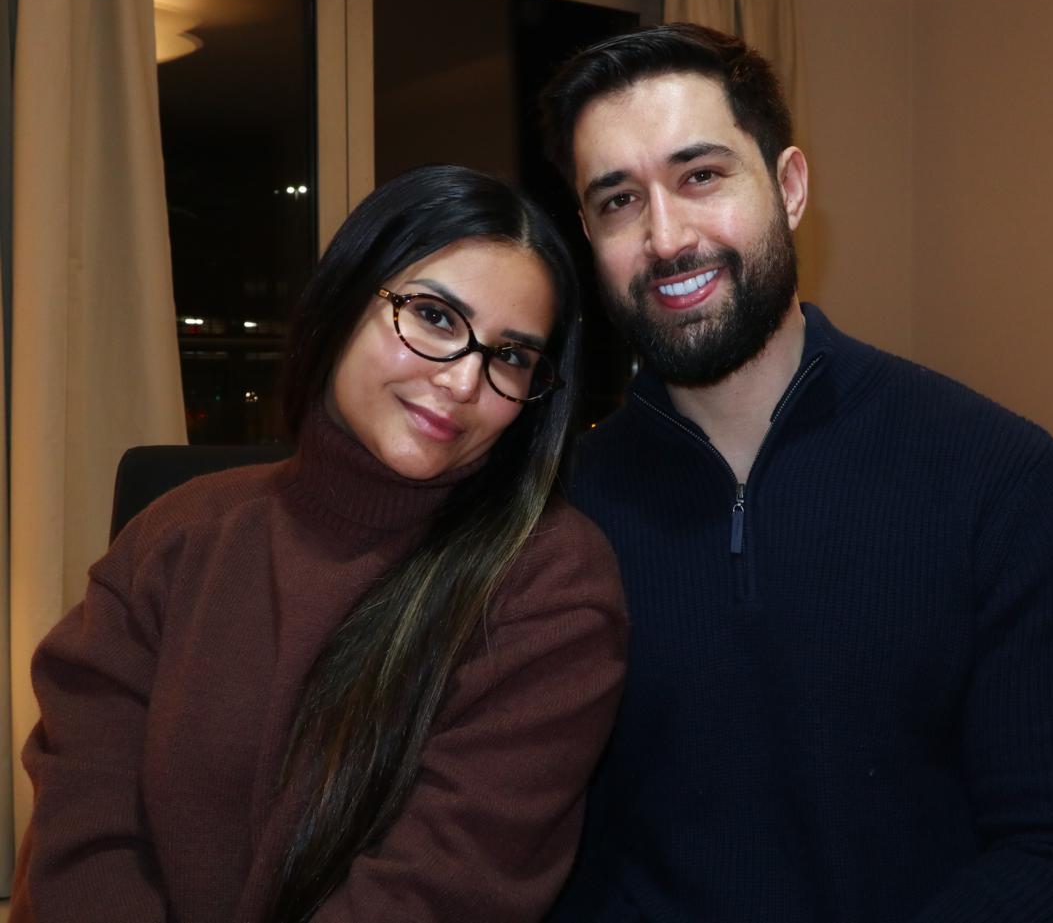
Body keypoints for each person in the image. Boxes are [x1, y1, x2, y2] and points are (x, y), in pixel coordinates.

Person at [539, 24, 1053, 922]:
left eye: (700, 175)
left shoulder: (1004, 484)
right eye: (620, 200)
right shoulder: (559, 513)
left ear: (789, 187)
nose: (665, 238)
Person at [11, 165, 628, 923]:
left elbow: (443, 889)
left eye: (509, 356)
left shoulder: (550, 581)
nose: (464, 382)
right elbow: (82, 833)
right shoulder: (175, 536)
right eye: (434, 316)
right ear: (345, 299)